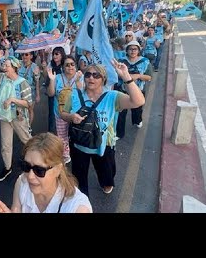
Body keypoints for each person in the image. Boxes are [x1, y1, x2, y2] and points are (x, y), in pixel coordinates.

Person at [61, 61, 145, 197]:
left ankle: (105, 182)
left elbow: (138, 101)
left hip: (103, 145)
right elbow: (63, 114)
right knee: (79, 176)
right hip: (79, 143)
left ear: (103, 79)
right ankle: (82, 200)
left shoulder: (112, 97)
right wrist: (71, 117)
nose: (91, 78)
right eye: (88, 75)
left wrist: (126, 77)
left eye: (96, 75)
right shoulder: (75, 95)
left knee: (106, 177)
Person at [0, 132, 92, 213]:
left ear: (57, 170)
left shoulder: (77, 208)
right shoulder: (22, 183)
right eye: (26, 166)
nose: (30, 176)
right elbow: (16, 209)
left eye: (39, 170)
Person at [0, 53, 32, 182]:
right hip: (5, 117)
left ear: (14, 67)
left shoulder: (22, 83)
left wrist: (13, 100)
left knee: (27, 141)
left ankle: (34, 162)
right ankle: (7, 167)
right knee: (5, 145)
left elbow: (28, 103)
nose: (4, 67)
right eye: (4, 64)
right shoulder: (2, 78)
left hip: (18, 117)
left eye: (7, 65)